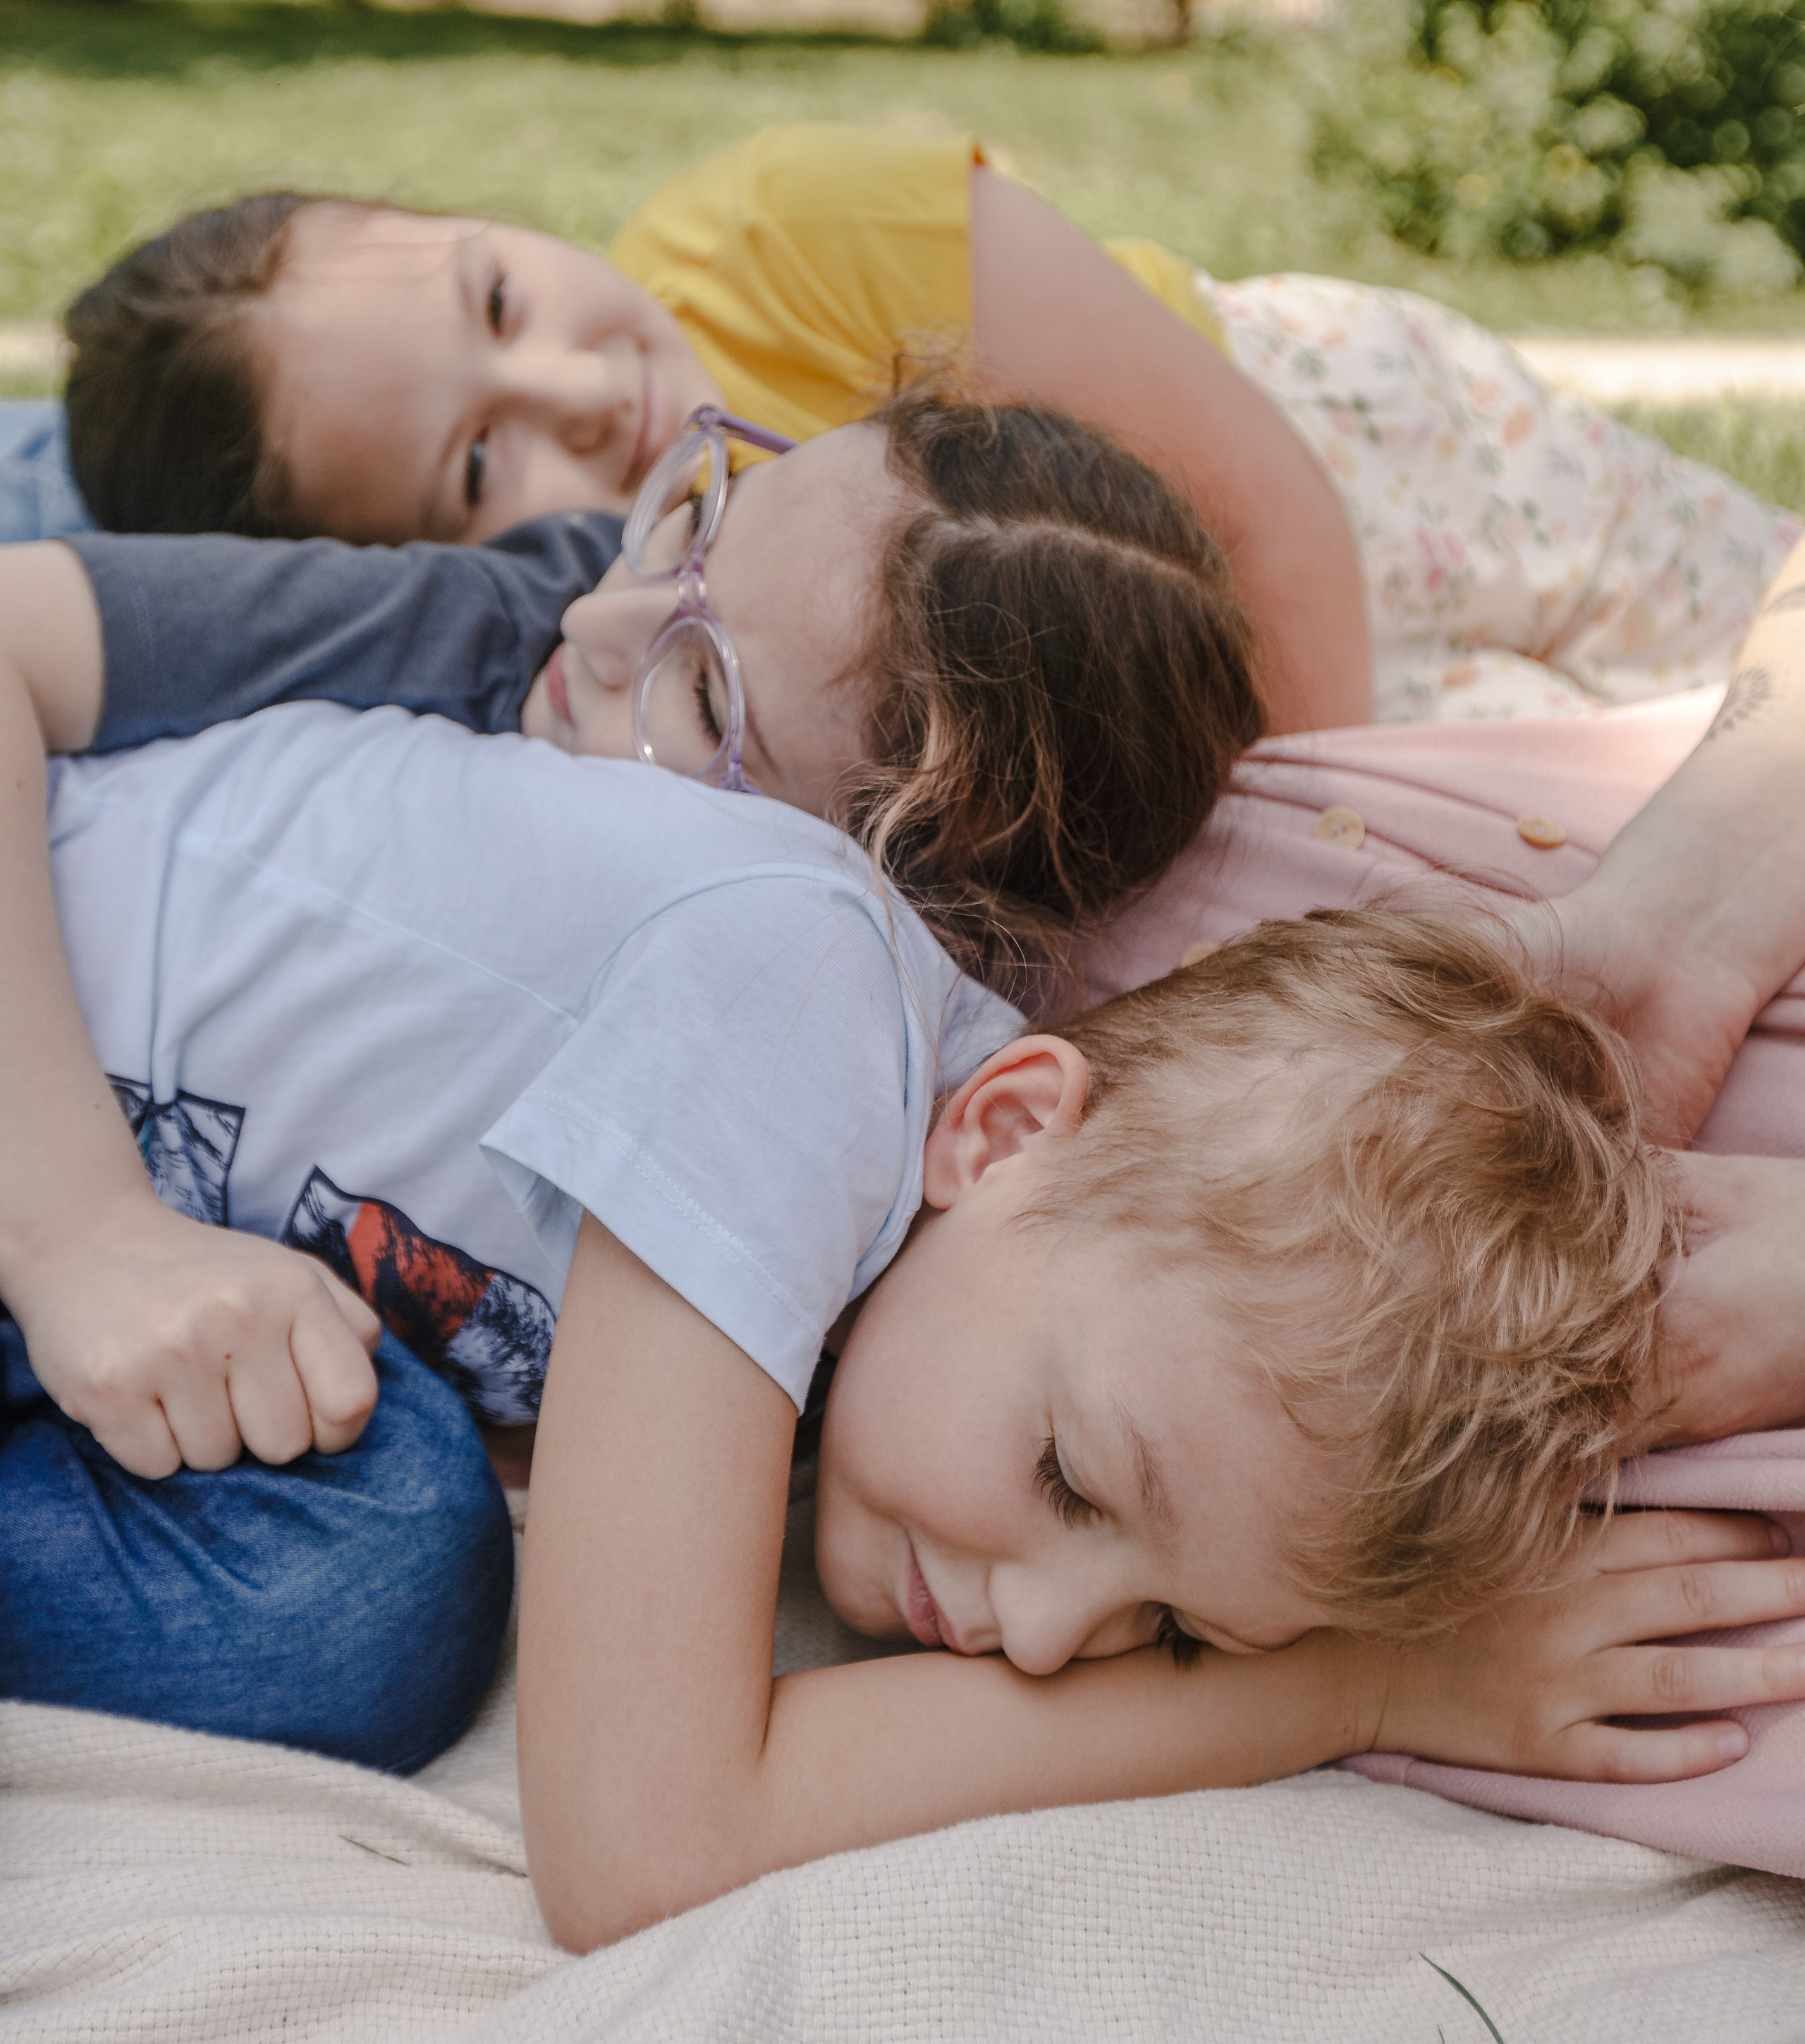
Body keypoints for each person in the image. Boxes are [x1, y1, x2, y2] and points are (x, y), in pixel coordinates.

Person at [11, 422, 1805, 1935]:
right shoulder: (798, 1001)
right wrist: (1353, 1692)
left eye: (1164, 1634)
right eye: (1070, 1481)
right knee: (382, 1588)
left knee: (359, 1532)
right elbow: (644, 1843)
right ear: (1006, 1130)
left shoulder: (1000, 1275)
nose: (1037, 1641)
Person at [50, 129, 1797, 728]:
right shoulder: (646, 641)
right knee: (1637, 805)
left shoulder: (772, 226)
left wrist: (1322, 893)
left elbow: (1261, 509)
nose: (589, 394)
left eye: (499, 301)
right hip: (1221, 705)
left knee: (1757, 658)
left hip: (1364, 468)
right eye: (479, 467)